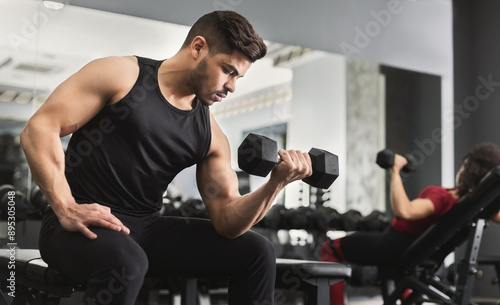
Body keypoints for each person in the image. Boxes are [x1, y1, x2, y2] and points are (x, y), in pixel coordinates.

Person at [20, 10, 313, 305]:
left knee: (257, 252)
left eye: (239, 76)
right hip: (74, 225)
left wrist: (276, 182)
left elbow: (227, 220)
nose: (232, 86)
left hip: (146, 230)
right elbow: (40, 128)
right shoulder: (121, 75)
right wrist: (66, 207)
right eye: (228, 70)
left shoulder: (210, 134)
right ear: (198, 47)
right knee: (127, 263)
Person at [321, 142, 500, 305]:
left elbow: (404, 210)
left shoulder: (443, 198)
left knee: (329, 248)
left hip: (392, 247)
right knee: (401, 275)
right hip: (415, 254)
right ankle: (406, 294)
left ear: (467, 169)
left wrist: (395, 171)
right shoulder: (474, 205)